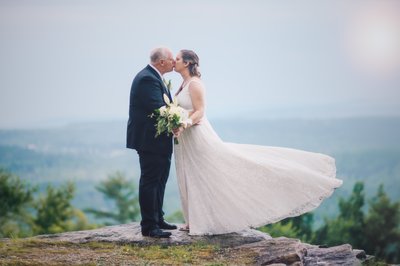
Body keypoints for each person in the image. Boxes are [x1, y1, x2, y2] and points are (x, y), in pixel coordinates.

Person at [173, 49, 343, 235]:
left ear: (187, 63)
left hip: (197, 135)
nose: (175, 60)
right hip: (185, 138)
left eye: (178, 58)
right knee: (189, 175)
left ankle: (208, 220)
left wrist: (185, 123)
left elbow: (200, 111)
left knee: (207, 173)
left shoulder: (195, 84)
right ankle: (193, 220)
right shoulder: (183, 83)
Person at [126, 47, 177, 238]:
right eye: (172, 60)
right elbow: (159, 108)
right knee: (150, 181)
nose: (174, 62)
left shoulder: (154, 76)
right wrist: (178, 120)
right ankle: (149, 226)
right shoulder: (147, 78)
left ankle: (158, 218)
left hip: (158, 140)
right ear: (162, 61)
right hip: (150, 140)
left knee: (160, 180)